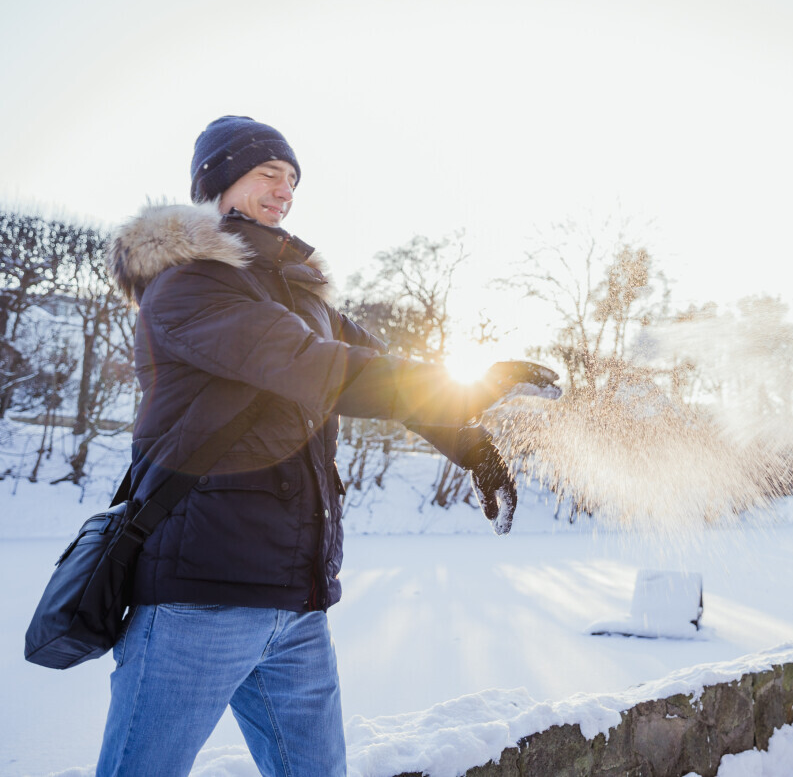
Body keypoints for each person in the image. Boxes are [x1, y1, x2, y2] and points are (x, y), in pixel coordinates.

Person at [99, 115, 543, 776]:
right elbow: (314, 366)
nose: (285, 190)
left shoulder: (303, 295)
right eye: (268, 174)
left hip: (295, 602)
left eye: (292, 179)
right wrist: (472, 389)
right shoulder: (189, 284)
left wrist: (469, 443)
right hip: (200, 598)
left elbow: (374, 366)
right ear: (218, 182)